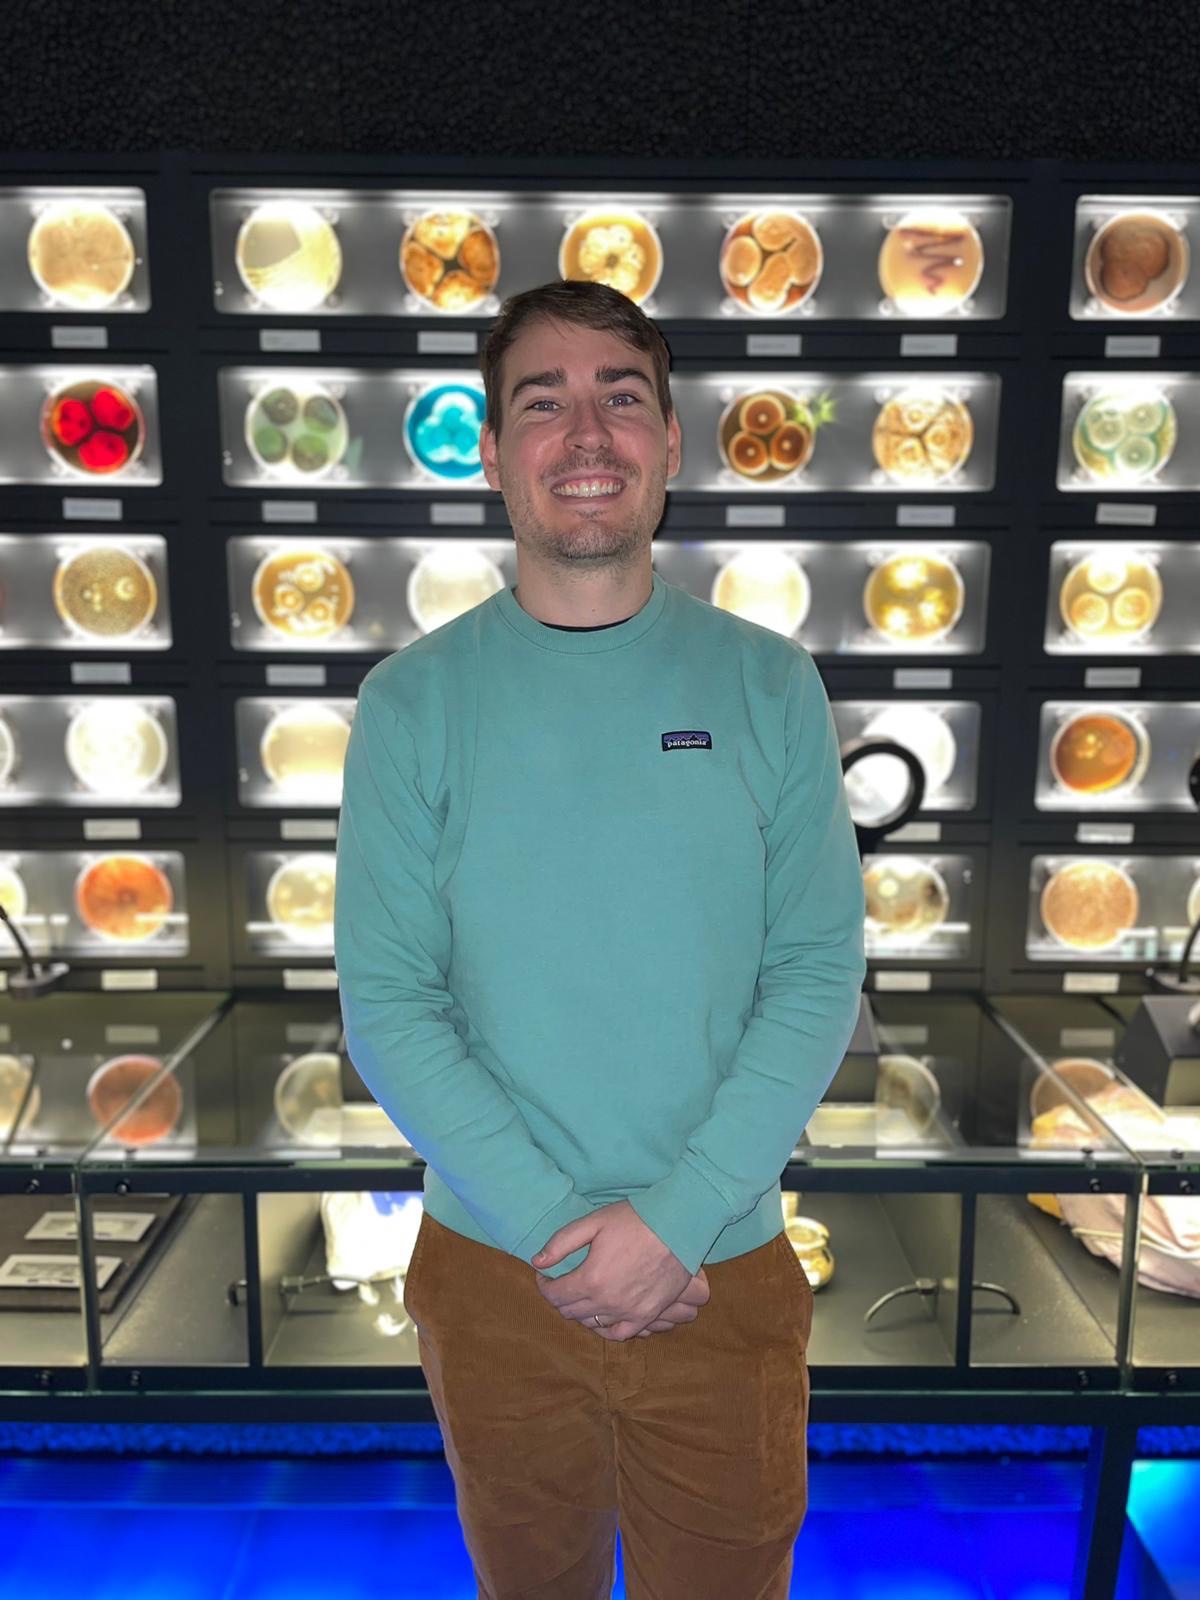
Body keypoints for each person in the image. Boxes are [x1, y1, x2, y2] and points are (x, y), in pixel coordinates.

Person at [333, 278, 867, 1599]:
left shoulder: (769, 684)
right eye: (543, 402)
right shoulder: (411, 704)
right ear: (492, 447)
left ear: (670, 441)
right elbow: (391, 1003)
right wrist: (565, 1235)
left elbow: (815, 975)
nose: (586, 434)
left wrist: (672, 1224)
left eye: (621, 398)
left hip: (719, 1267)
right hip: (495, 1278)